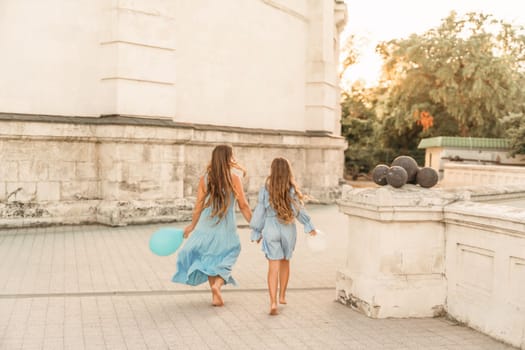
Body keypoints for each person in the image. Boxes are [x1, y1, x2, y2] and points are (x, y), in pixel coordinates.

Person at [172, 145, 252, 306]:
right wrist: (255, 225)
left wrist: (192, 226)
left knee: (209, 258)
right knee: (230, 254)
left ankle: (215, 295)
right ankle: (218, 285)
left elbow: (198, 206)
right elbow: (243, 205)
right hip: (226, 229)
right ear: (228, 158)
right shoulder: (234, 178)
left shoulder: (205, 179)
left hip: (205, 227)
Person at [250, 157, 316, 315]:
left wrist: (256, 231)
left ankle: (272, 302)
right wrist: (309, 226)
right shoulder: (291, 189)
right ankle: (282, 295)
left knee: (273, 267)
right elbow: (298, 210)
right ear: (288, 171)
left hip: (271, 228)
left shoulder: (265, 189)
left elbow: (260, 211)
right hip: (287, 228)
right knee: (285, 261)